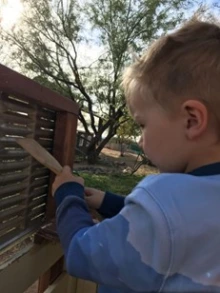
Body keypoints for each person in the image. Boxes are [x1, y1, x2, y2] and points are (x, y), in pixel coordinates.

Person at [52, 18, 220, 292]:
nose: (139, 139)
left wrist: (68, 195)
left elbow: (82, 253)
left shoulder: (166, 195)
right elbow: (176, 233)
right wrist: (109, 202)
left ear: (191, 120)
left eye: (142, 124)